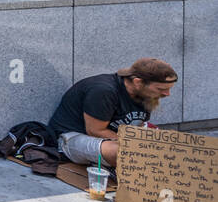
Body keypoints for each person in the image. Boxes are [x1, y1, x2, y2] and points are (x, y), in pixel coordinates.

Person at [47, 58, 177, 167]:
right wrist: (139, 146)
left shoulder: (146, 94)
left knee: (165, 150)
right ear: (138, 82)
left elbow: (137, 126)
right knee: (125, 153)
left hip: (111, 138)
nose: (167, 94)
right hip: (70, 138)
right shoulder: (104, 91)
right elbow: (95, 131)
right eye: (161, 89)